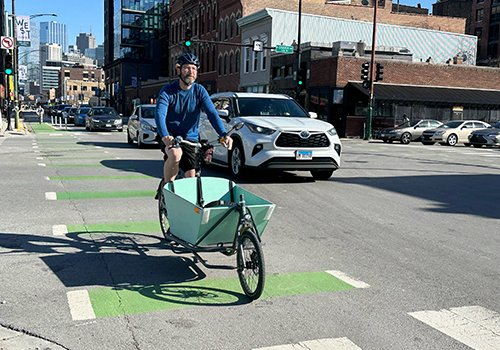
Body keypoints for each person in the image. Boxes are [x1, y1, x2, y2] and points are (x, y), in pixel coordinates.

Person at [154, 53, 233, 183]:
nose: (191, 72)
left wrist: (224, 134)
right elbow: (160, 114)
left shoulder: (199, 91)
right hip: (170, 136)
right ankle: (166, 187)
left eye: (194, 68)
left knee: (191, 179)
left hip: (191, 138)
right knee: (175, 154)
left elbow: (212, 114)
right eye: (187, 68)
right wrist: (164, 135)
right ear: (178, 69)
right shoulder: (167, 90)